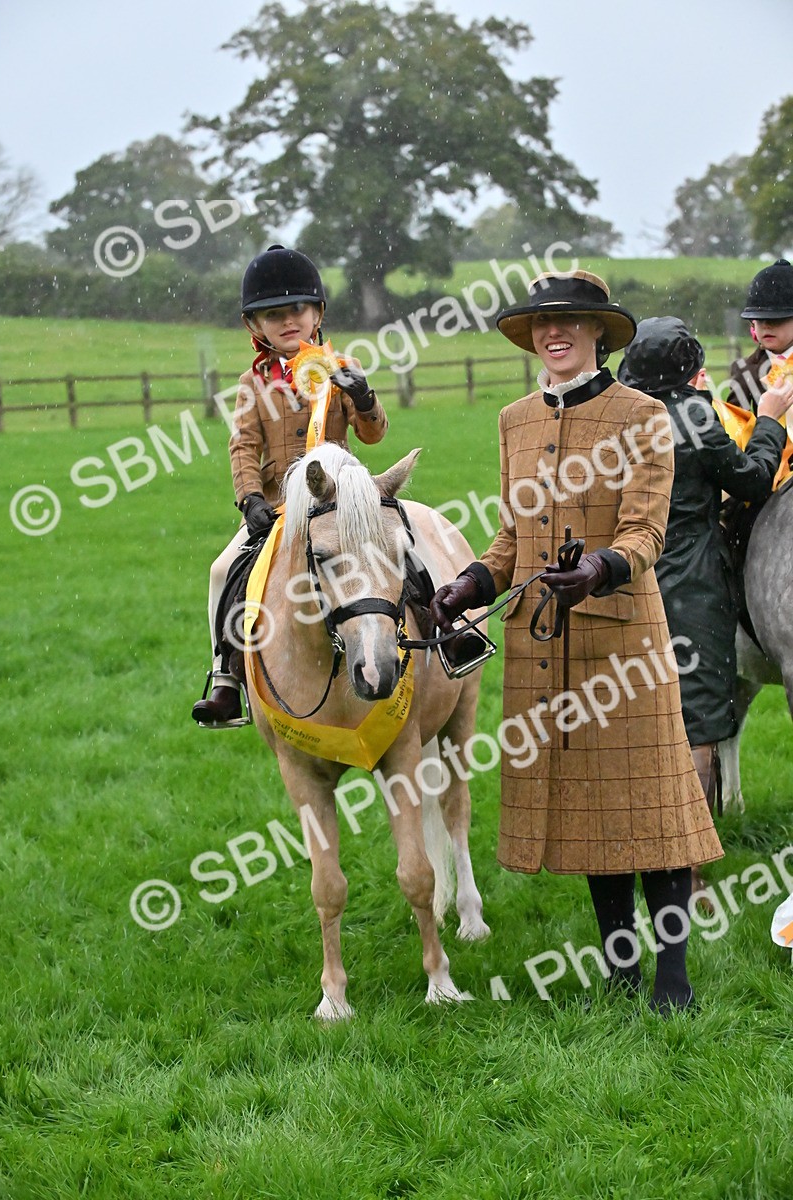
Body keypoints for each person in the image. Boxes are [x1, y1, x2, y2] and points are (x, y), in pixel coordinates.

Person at [430, 269, 723, 1013]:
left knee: (653, 809)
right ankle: (621, 970)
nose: (552, 332)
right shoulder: (514, 420)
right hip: (543, 651)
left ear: (598, 332)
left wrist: (597, 569)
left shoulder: (643, 415)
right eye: (541, 321)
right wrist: (469, 584)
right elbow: (512, 539)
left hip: (625, 647)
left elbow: (646, 532)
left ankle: (673, 978)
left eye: (567, 320)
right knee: (592, 813)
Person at [192, 245, 389, 726]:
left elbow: (373, 435)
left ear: (318, 312)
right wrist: (249, 499)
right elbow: (243, 445)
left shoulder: (342, 367)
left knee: (406, 539)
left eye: (297, 308)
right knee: (221, 570)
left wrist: (364, 396)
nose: (287, 320)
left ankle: (446, 635)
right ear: (254, 325)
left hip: (343, 503)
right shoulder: (252, 383)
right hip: (279, 508)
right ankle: (226, 680)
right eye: (272, 314)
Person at [619, 317, 793, 806]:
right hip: (692, 581)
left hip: (626, 576)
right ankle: (692, 843)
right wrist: (769, 420)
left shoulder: (617, 418)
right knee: (700, 714)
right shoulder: (695, 415)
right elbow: (753, 479)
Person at [725, 258, 793, 415]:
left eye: (777, 319)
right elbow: (737, 422)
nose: (767, 326)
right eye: (760, 319)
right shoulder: (745, 370)